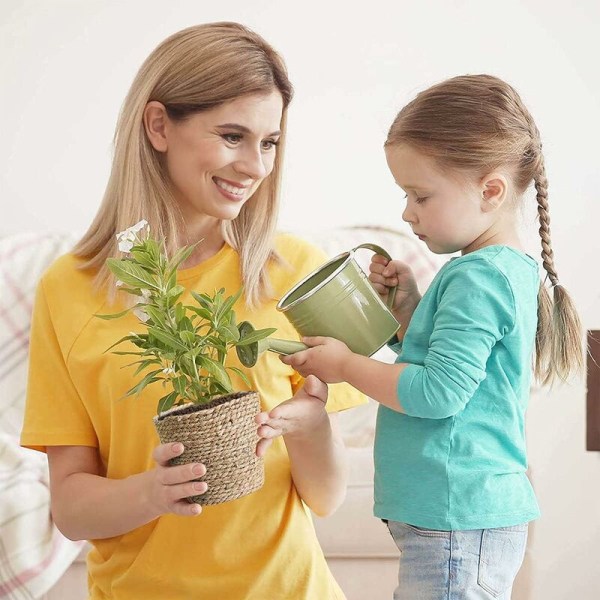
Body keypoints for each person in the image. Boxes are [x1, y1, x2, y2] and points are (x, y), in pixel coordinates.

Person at [20, 22, 364, 600]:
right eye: (232, 135)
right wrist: (153, 492)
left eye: (270, 142)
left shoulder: (295, 269)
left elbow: (326, 498)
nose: (256, 166)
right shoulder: (71, 287)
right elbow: (72, 508)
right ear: (159, 126)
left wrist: (311, 428)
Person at [282, 74, 583, 599]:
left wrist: (344, 365)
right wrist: (408, 312)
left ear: (490, 190)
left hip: (457, 514)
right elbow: (446, 374)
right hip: (456, 511)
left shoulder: (479, 276)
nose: (406, 211)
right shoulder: (490, 270)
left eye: (420, 195)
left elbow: (437, 395)